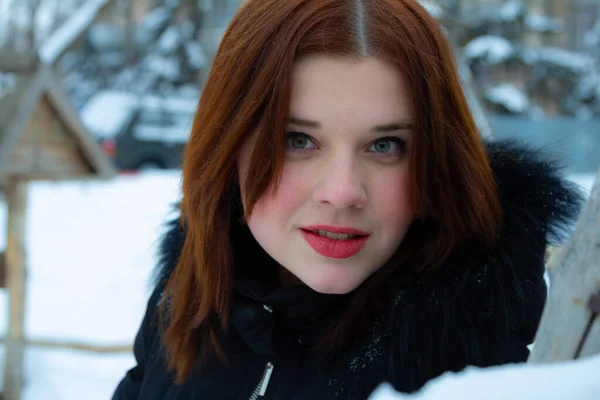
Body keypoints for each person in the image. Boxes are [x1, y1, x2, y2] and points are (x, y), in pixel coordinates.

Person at [112, 0, 583, 399]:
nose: (342, 192)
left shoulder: (502, 362)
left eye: (385, 146)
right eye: (297, 140)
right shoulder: (191, 289)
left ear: (435, 162)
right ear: (227, 143)